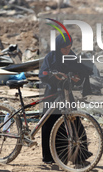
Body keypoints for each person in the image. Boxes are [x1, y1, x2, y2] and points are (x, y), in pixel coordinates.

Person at [39, 33, 92, 164]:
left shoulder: (72, 57)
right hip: (52, 94)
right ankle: (50, 158)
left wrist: (76, 78)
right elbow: (43, 73)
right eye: (64, 48)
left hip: (67, 94)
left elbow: (80, 72)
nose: (67, 51)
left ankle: (79, 156)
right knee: (49, 123)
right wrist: (53, 75)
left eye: (69, 48)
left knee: (74, 122)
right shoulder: (51, 57)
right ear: (58, 47)